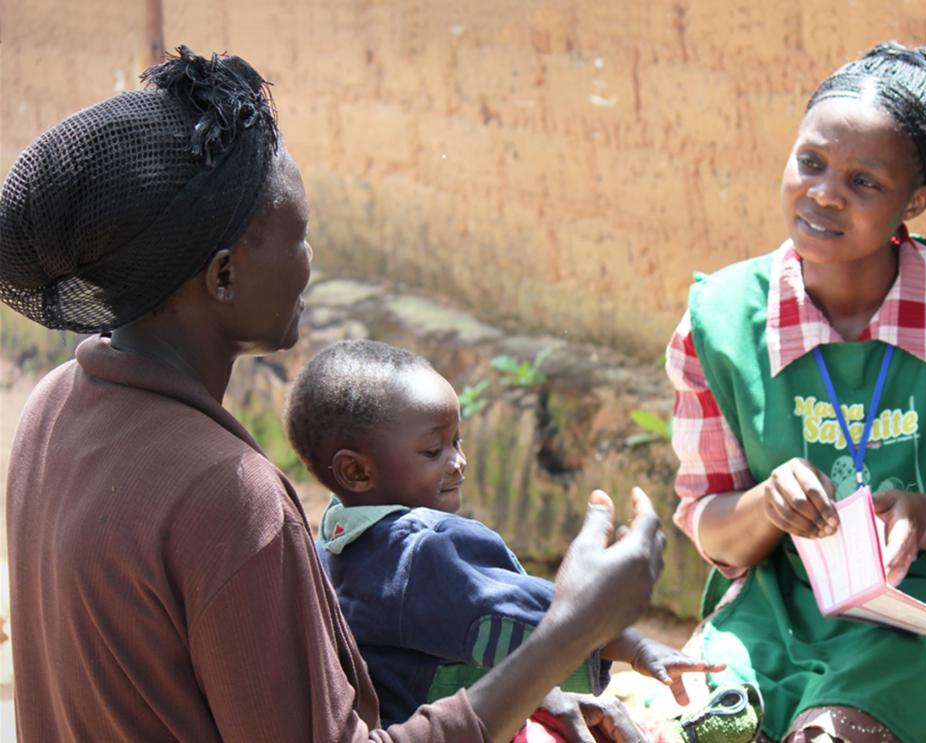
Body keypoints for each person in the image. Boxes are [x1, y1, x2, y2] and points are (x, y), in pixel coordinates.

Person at [1, 47, 665, 743]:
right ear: (224, 278)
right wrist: (569, 631)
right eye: (301, 235)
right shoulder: (228, 499)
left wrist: (517, 691)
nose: (313, 261)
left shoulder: (53, 406)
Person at [664, 42, 926, 743]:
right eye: (810, 161)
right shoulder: (718, 322)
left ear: (917, 200)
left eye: (864, 181)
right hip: (776, 605)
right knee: (715, 731)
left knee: (836, 735)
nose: (822, 192)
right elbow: (711, 525)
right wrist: (766, 504)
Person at [283, 338, 724, 742]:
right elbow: (538, 620)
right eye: (433, 450)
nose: (458, 462)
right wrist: (636, 645)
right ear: (357, 471)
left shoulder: (330, 550)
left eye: (457, 440)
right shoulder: (427, 551)